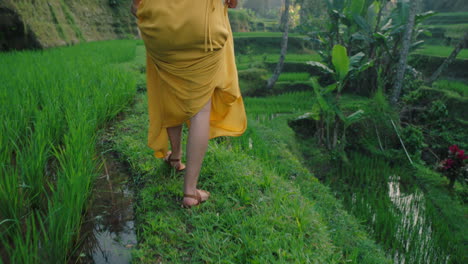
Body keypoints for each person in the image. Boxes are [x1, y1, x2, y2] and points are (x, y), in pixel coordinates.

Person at [131, 0, 247, 208]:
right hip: (201, 25)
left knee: (168, 88)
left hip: (159, 23)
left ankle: (175, 157)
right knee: (201, 109)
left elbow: (135, 5)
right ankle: (190, 192)